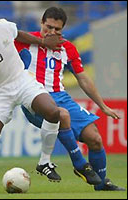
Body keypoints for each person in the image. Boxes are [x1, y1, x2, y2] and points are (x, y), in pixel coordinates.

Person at [0, 5, 70, 193]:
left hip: (21, 80)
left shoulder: (2, 26)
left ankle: (44, 162)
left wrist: (42, 42)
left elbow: (18, 34)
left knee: (53, 112)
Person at [13, 7, 125, 191]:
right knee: (61, 114)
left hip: (61, 97)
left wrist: (102, 105)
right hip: (34, 97)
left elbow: (82, 78)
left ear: (63, 30)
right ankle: (80, 165)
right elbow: (5, 35)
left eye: (57, 29)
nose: (52, 32)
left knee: (95, 138)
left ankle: (102, 184)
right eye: (48, 27)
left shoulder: (67, 47)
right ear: (41, 23)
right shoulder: (24, 41)